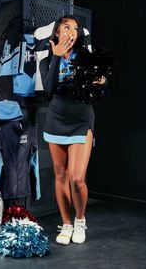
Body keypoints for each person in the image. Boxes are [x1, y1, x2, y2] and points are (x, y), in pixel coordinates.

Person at [39, 15, 106, 245]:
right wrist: (57, 56)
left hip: (81, 119)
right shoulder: (46, 61)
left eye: (75, 28)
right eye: (66, 27)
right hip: (56, 119)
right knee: (60, 175)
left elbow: (101, 83)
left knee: (77, 179)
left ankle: (79, 220)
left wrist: (103, 80)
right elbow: (49, 90)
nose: (71, 31)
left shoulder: (85, 58)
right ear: (57, 32)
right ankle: (66, 223)